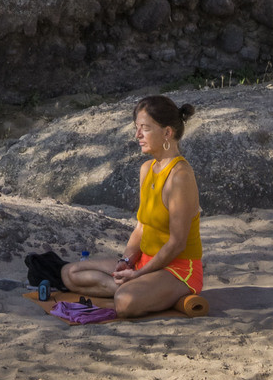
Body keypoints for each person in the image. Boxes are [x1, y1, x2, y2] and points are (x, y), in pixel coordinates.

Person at [61, 95, 204, 316]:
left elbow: (177, 243)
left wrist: (138, 275)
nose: (137, 135)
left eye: (144, 128)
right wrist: (126, 262)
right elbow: (141, 227)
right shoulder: (146, 169)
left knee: (125, 302)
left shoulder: (180, 176)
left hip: (178, 270)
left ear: (167, 132)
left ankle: (136, 290)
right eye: (137, 128)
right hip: (144, 264)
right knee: (69, 273)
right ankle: (135, 288)